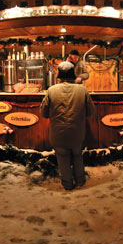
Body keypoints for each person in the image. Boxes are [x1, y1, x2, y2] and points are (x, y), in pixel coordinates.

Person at [40, 61, 95, 191]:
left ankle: (68, 184)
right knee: (77, 155)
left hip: (58, 133)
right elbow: (91, 112)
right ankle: (80, 181)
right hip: (77, 132)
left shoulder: (51, 90)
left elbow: (44, 113)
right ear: (73, 74)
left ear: (59, 75)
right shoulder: (83, 90)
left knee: (62, 157)